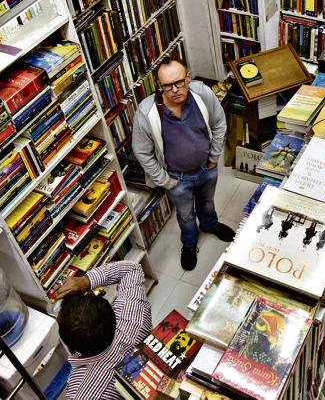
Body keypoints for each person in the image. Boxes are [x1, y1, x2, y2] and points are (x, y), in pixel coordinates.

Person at [132, 57, 235, 270]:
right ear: (159, 86)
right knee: (186, 215)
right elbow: (142, 152)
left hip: (207, 168)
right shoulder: (146, 111)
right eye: (167, 86)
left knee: (207, 203)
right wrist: (165, 181)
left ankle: (210, 225)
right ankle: (189, 243)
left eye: (180, 82)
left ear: (188, 78)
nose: (175, 90)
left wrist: (214, 158)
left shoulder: (202, 94)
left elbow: (219, 123)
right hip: (176, 179)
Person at [53, 261, 152, 400]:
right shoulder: (133, 314)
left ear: (70, 347)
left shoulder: (81, 393)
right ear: (110, 311)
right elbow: (132, 269)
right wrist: (84, 281)